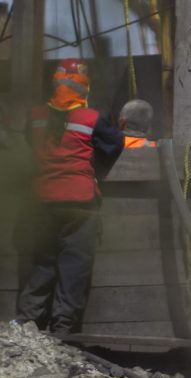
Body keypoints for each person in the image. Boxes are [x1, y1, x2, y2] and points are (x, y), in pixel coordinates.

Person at [14, 58, 124, 334]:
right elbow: (114, 144)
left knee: (43, 260)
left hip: (42, 200)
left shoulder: (36, 116)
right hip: (79, 201)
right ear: (84, 87)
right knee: (74, 265)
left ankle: (27, 319)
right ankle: (63, 327)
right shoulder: (92, 118)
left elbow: (30, 145)